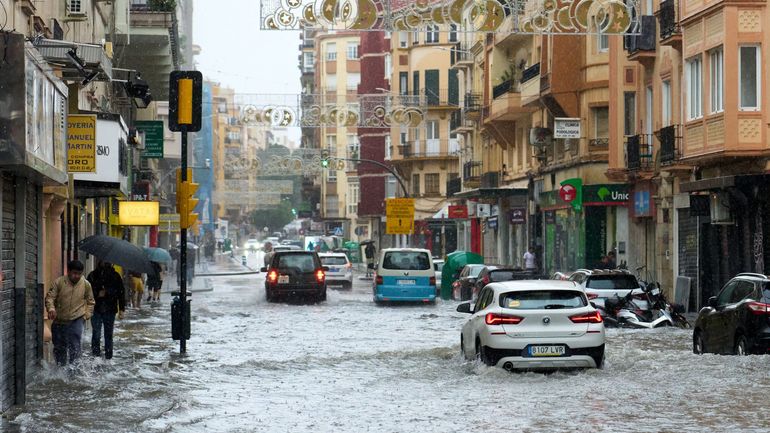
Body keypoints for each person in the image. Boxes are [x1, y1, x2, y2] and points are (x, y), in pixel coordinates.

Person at [45, 260, 95, 366]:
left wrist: (86, 315)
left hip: (76, 319)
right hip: (59, 320)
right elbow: (50, 297)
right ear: (68, 271)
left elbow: (91, 302)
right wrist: (51, 309)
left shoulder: (86, 285)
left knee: (75, 346)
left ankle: (74, 373)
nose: (76, 276)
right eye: (74, 273)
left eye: (79, 274)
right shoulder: (59, 282)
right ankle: (61, 370)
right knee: (59, 348)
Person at [87, 262, 125, 360]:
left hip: (110, 309)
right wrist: (97, 294)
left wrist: (122, 309)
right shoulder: (92, 275)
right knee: (96, 333)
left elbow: (121, 293)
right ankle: (96, 357)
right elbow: (86, 292)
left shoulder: (116, 276)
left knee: (108, 334)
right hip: (96, 309)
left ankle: (109, 357)